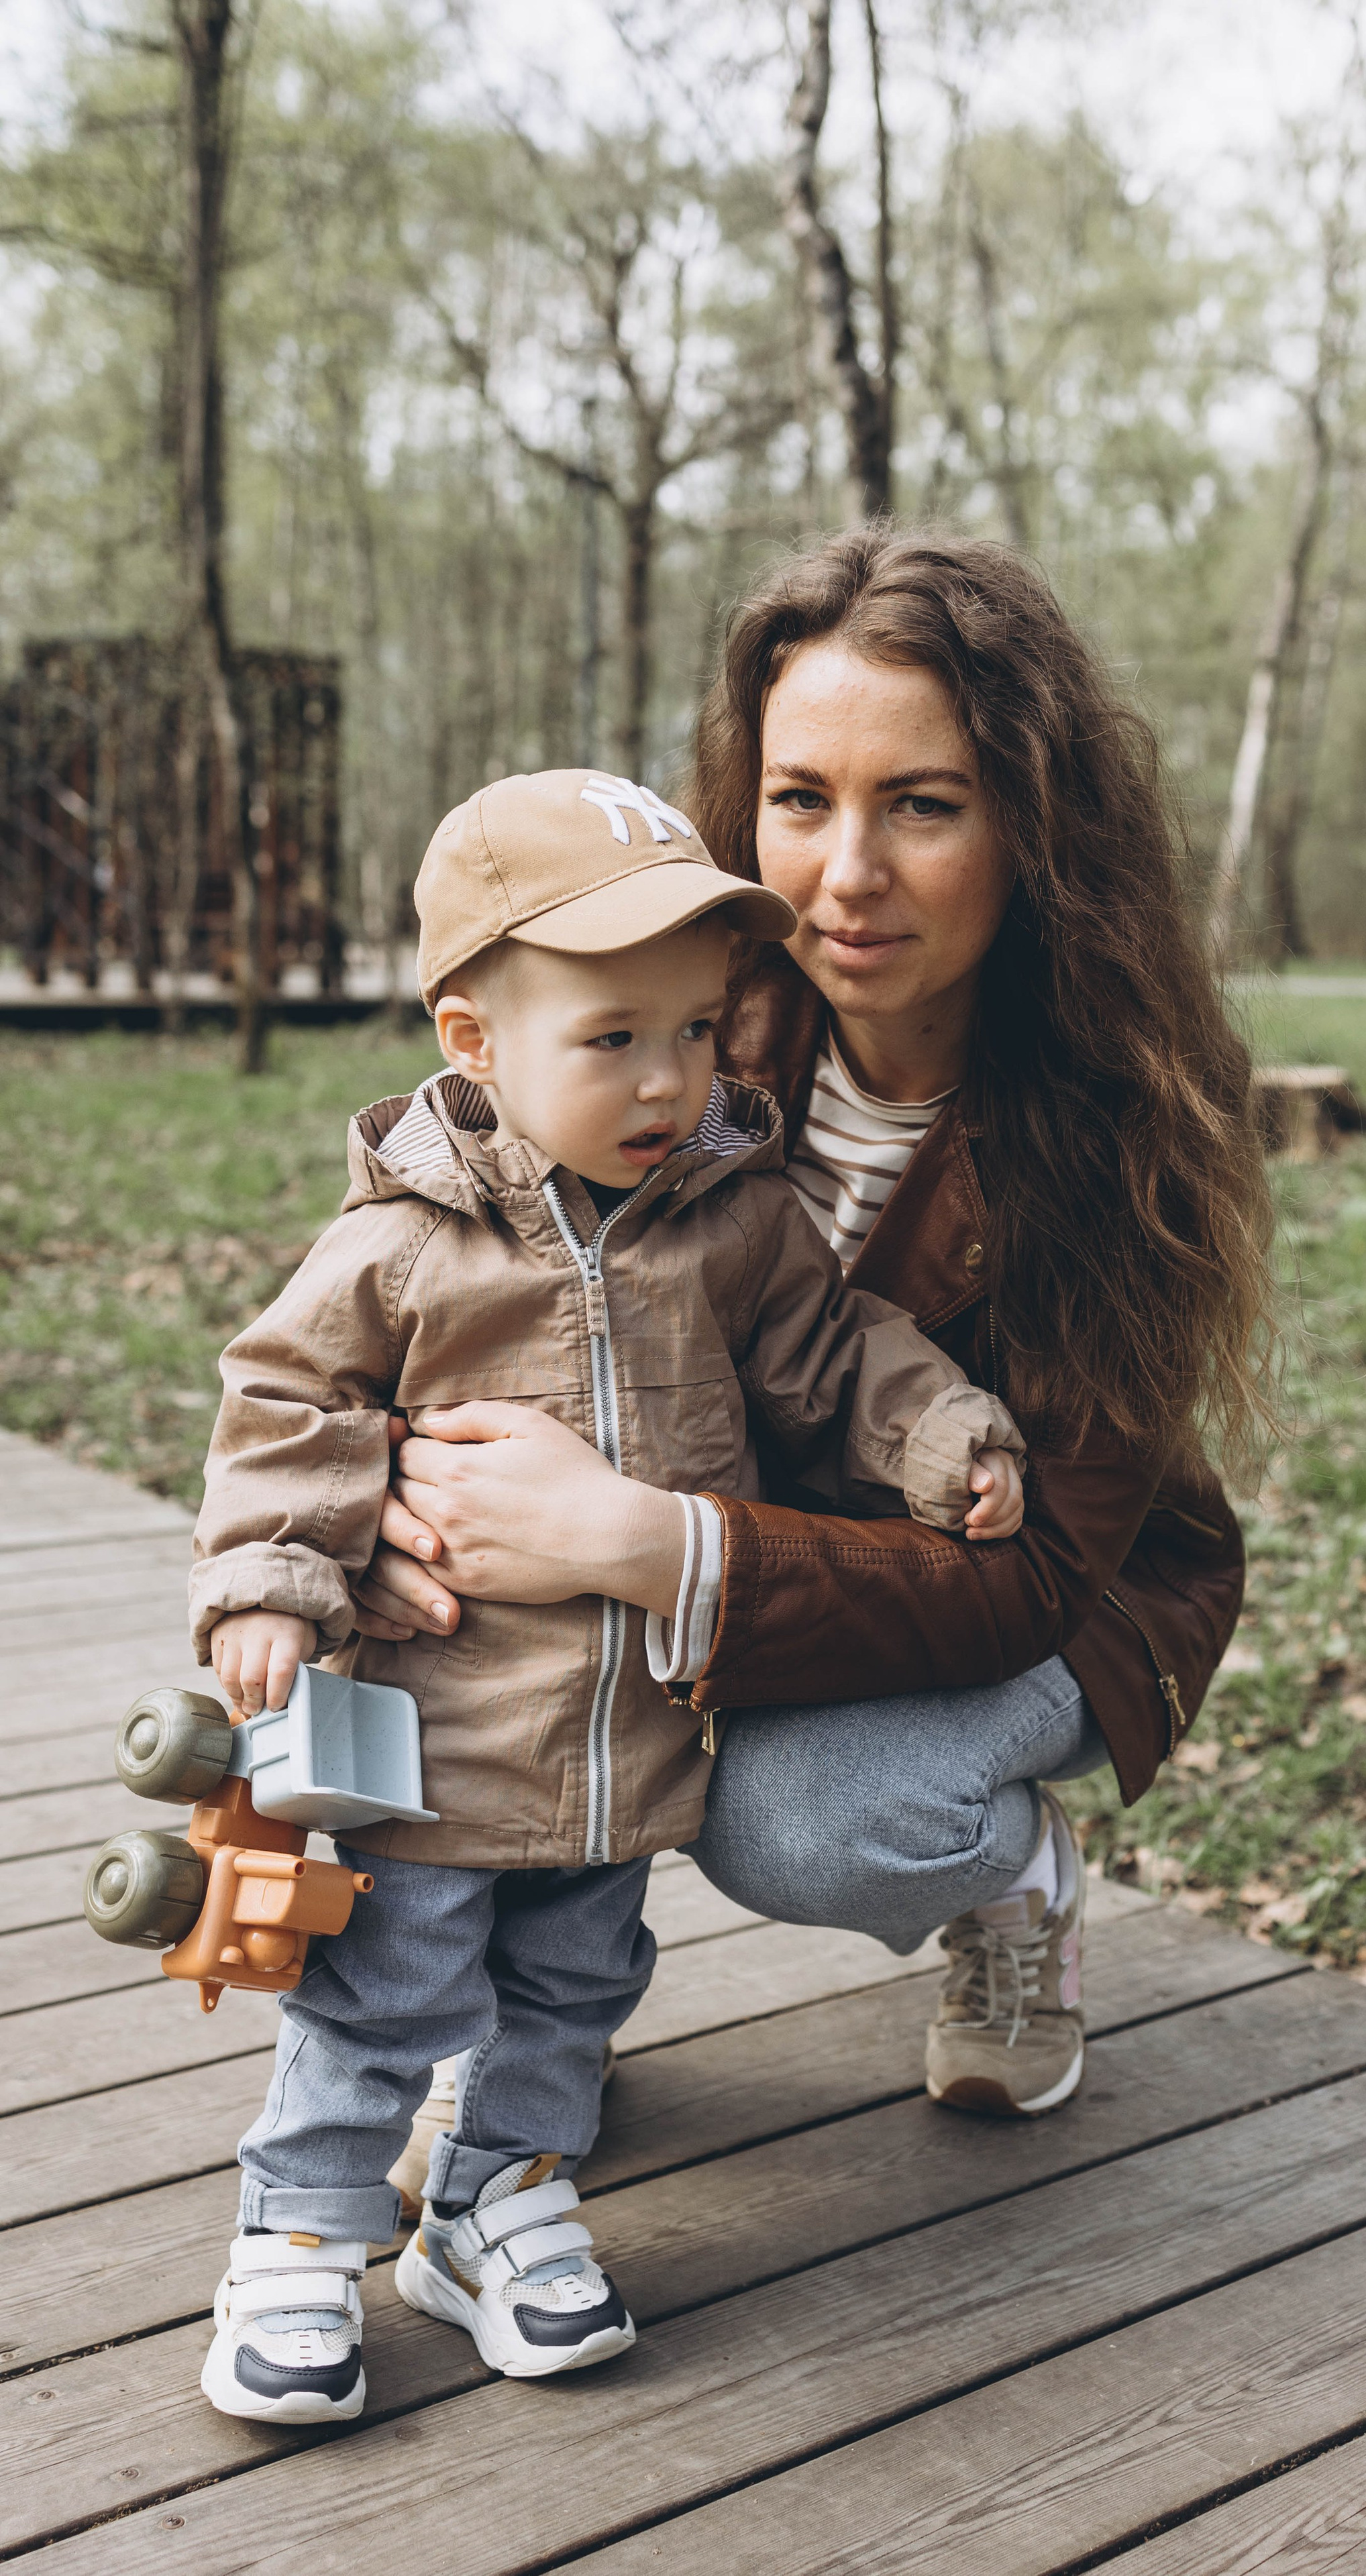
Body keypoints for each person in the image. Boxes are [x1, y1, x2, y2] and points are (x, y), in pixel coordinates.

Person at [360, 529, 1276, 2191]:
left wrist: (641, 1545)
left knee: (801, 1818)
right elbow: (465, 1267)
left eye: (921, 805)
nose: (842, 874)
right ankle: (527, 2025)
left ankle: (1013, 1883)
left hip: (1067, 1587)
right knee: (474, 1631)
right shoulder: (683, 1026)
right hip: (753, 1530)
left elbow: (1024, 1577)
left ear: (1031, 827)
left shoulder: (1119, 1124)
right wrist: (418, 1502)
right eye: (800, 800)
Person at [189, 765, 1027, 2426]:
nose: (666, 1080)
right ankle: (296, 2229)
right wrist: (275, 1585)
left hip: (627, 1737)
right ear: (473, 1040)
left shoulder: (732, 1222)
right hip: (434, 1739)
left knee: (574, 1990)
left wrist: (939, 1432)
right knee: (383, 1995)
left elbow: (834, 1356)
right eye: (609, 1040)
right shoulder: (402, 1245)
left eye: (697, 1033)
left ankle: (499, 2199)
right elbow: (290, 1409)